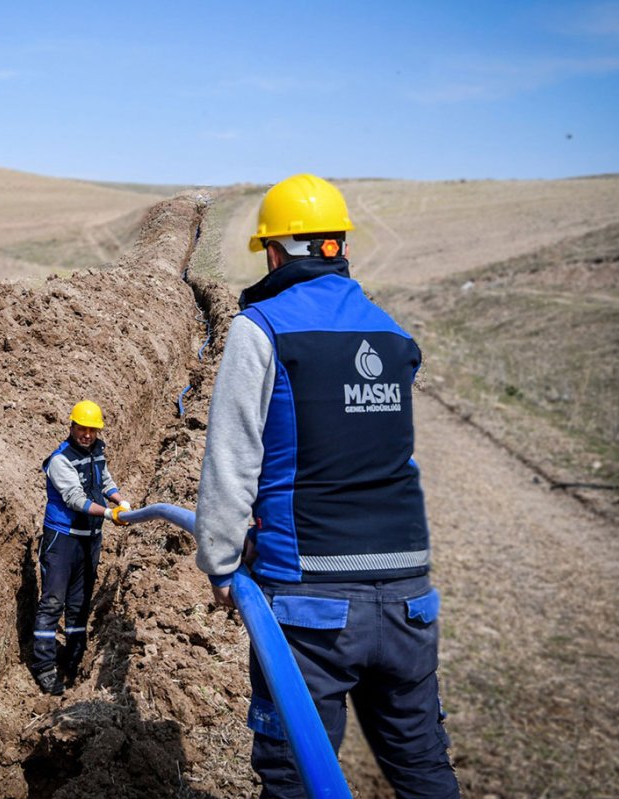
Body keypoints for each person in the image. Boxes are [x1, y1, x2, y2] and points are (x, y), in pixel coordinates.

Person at [193, 174, 460, 797]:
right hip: (409, 596)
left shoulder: (260, 329)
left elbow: (231, 461)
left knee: (296, 777)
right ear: (338, 245)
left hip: (312, 604)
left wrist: (222, 564)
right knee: (423, 770)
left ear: (276, 251)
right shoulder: (394, 335)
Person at [32, 400, 131, 696]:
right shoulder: (60, 460)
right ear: (71, 426)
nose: (87, 435)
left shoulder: (97, 451)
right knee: (52, 603)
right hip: (62, 539)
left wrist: (118, 500)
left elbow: (105, 480)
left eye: (92, 430)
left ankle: (74, 659)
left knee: (79, 603)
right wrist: (108, 514)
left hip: (89, 538)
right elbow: (75, 498)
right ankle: (44, 667)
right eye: (82, 428)